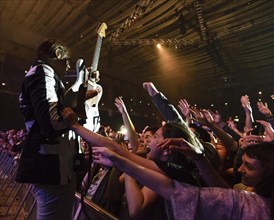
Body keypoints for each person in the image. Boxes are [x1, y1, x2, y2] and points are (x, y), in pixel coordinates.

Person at [16, 39, 77, 220]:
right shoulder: (43, 74)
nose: (68, 65)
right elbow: (53, 124)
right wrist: (75, 119)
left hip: (52, 167)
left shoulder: (43, 74)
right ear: (56, 55)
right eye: (66, 60)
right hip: (49, 167)